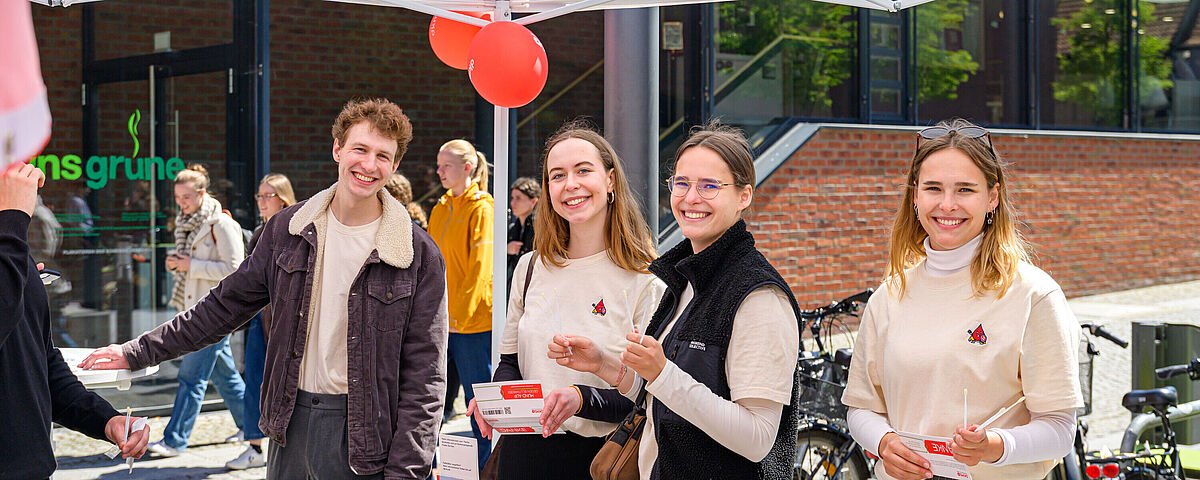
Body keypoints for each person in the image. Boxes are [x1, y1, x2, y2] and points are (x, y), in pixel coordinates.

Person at [81, 98, 448, 479]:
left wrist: (407, 471)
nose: (369, 165)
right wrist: (138, 351)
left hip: (368, 438)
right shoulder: (287, 231)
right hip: (289, 425)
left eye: (383, 156)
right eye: (360, 149)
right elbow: (222, 306)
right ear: (337, 149)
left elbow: (426, 377)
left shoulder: (416, 254)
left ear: (395, 164)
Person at [548, 123, 803, 479]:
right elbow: (660, 395)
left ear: (744, 196)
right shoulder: (685, 280)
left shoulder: (758, 296)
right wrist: (603, 364)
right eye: (681, 183)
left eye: (709, 186)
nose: (690, 197)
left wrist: (663, 373)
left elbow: (758, 438)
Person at [841, 119, 1082, 480]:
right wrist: (884, 442)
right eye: (933, 188)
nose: (947, 204)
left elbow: (1060, 430)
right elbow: (860, 409)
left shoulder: (1034, 295)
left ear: (993, 197)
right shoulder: (889, 295)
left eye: (965, 190)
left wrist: (994, 447)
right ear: (915, 196)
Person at [469, 125, 665, 478]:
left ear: (610, 181)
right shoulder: (530, 267)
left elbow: (649, 395)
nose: (570, 184)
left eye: (583, 170)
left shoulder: (645, 280)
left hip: (599, 459)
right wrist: (495, 399)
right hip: (521, 455)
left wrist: (581, 398)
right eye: (557, 175)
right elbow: (511, 361)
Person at [0, 162, 150, 479]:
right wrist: (12, 220)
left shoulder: (11, 243)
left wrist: (105, 420)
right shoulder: (10, 235)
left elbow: (39, 360)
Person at [149, 163, 249, 457]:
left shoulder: (222, 224)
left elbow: (235, 269)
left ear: (202, 193)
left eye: (187, 197)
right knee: (225, 377)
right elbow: (195, 266)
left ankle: (175, 440)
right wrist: (177, 264)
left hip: (215, 314)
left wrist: (191, 265)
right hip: (195, 310)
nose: (181, 203)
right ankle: (252, 426)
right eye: (178, 198)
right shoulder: (186, 222)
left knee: (191, 378)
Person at [428, 138, 494, 467]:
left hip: (471, 326)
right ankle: (427, 464)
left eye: (446, 166)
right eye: (439, 165)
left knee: (477, 403)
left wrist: (461, 316)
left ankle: (486, 468)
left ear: (467, 168)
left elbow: (481, 268)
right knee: (430, 401)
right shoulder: (439, 208)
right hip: (440, 323)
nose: (439, 171)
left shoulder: (482, 207)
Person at [224, 172, 296, 470]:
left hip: (286, 321)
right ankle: (254, 445)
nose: (262, 202)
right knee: (253, 378)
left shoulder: (297, 229)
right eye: (259, 196)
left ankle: (283, 444)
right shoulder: (258, 232)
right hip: (258, 318)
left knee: (284, 382)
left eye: (268, 196)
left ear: (283, 198)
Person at [505, 176, 538, 290]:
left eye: (518, 198)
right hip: (516, 288)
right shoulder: (512, 228)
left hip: (535, 287)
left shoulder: (541, 228)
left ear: (533, 201)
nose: (513, 202)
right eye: (512, 198)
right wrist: (506, 250)